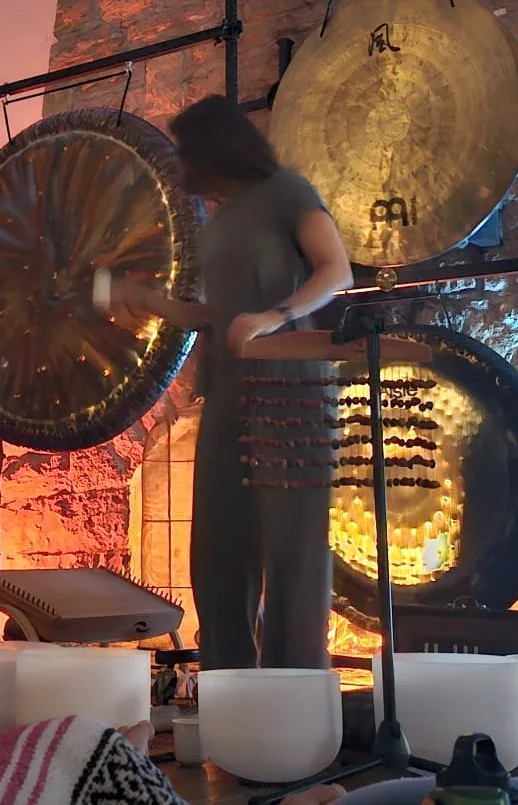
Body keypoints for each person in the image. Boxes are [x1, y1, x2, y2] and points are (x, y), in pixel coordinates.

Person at [106, 96, 354, 672]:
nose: (183, 166)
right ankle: (229, 691)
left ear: (216, 150)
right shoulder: (220, 222)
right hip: (227, 396)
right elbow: (218, 317)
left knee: (292, 556)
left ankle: (294, 701)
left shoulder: (287, 191)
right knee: (218, 556)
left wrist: (274, 316)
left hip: (291, 391)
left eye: (188, 152)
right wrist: (147, 300)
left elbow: (336, 269)